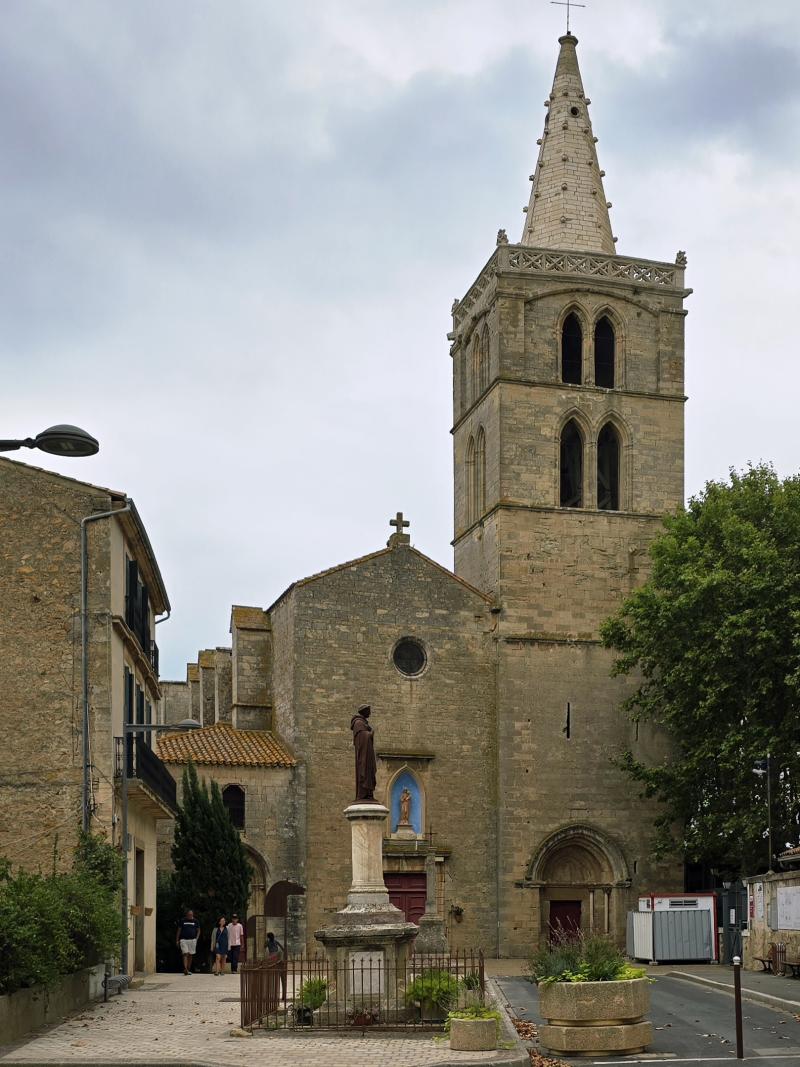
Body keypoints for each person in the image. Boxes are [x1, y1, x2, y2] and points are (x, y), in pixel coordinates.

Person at [176, 909, 200, 976]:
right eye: (189, 914)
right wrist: (177, 940)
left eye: (191, 914)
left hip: (192, 940)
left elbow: (198, 930)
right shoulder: (183, 920)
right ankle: (185, 969)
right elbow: (179, 931)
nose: (190, 915)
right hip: (183, 940)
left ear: (193, 914)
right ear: (187, 915)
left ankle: (188, 969)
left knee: (190, 954)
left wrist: (196, 939)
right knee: (185, 953)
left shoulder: (196, 921)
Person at [266, 931, 286, 1000]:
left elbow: (264, 947)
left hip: (271, 956)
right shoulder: (276, 941)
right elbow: (282, 948)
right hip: (277, 955)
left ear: (268, 937)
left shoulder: (268, 942)